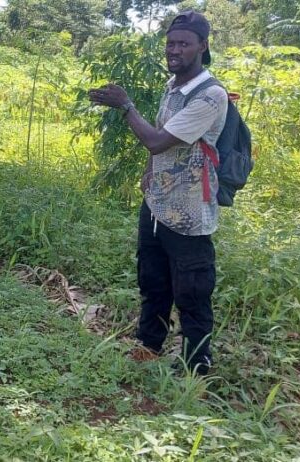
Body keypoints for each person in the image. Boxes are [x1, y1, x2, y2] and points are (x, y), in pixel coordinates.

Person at [88, 11, 228, 375]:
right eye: (170, 43)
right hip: (156, 204)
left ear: (202, 45)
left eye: (183, 43)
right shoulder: (173, 87)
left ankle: (196, 365)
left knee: (192, 292)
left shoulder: (211, 95)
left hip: (189, 213)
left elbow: (155, 140)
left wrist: (126, 106)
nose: (174, 50)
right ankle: (149, 346)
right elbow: (165, 140)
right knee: (152, 280)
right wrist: (150, 173)